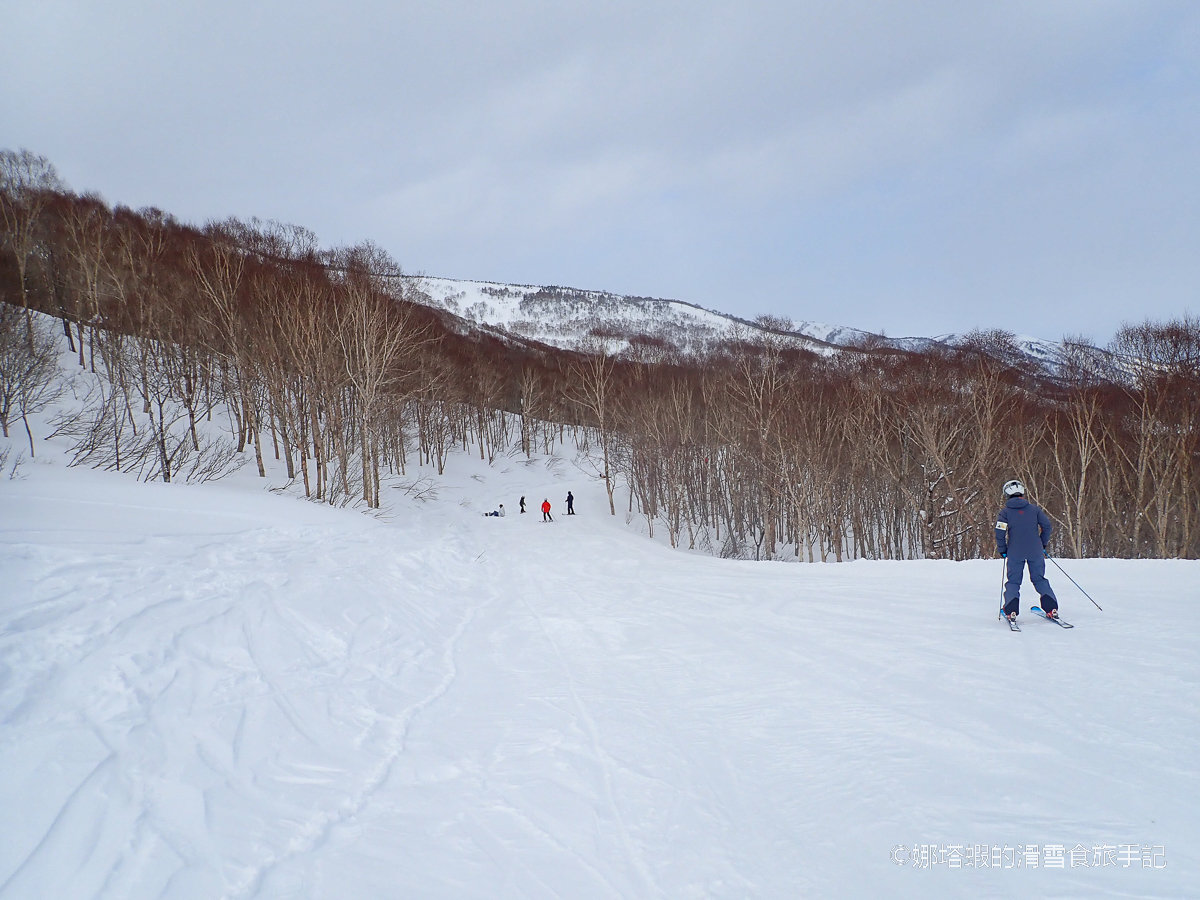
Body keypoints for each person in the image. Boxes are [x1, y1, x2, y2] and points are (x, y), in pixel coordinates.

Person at [995, 479, 1059, 622]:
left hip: (1015, 552)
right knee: (1039, 578)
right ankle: (1051, 608)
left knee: (1013, 581)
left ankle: (1011, 611)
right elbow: (1047, 526)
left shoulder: (1005, 512)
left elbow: (999, 533)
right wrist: (1041, 544)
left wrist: (1003, 549)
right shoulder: (1034, 510)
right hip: (1035, 551)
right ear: (1022, 493)